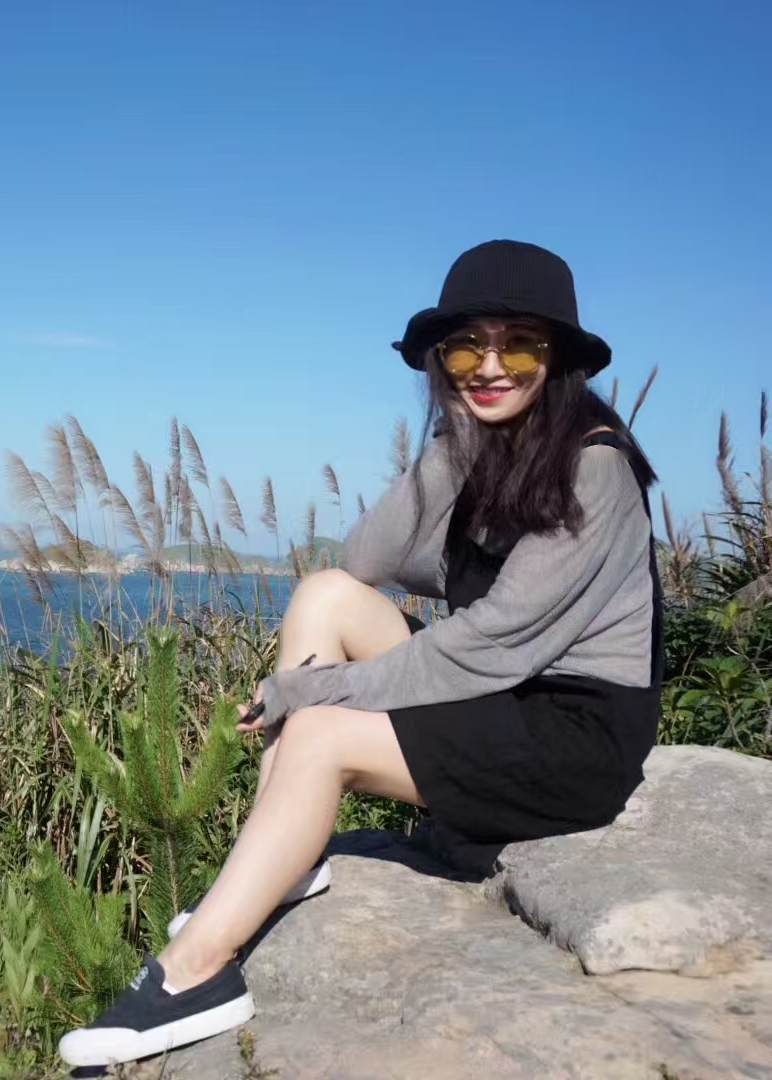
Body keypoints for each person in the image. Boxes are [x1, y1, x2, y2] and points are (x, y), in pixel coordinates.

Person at [57, 240, 663, 1068]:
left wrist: (319, 692)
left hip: (572, 732)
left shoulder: (595, 471)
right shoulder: (491, 447)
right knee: (325, 594)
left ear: (556, 358)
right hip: (506, 694)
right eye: (465, 350)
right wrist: (454, 438)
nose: (491, 366)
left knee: (320, 731)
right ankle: (283, 857)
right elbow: (365, 559)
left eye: (518, 346)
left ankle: (196, 974)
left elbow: (487, 645)